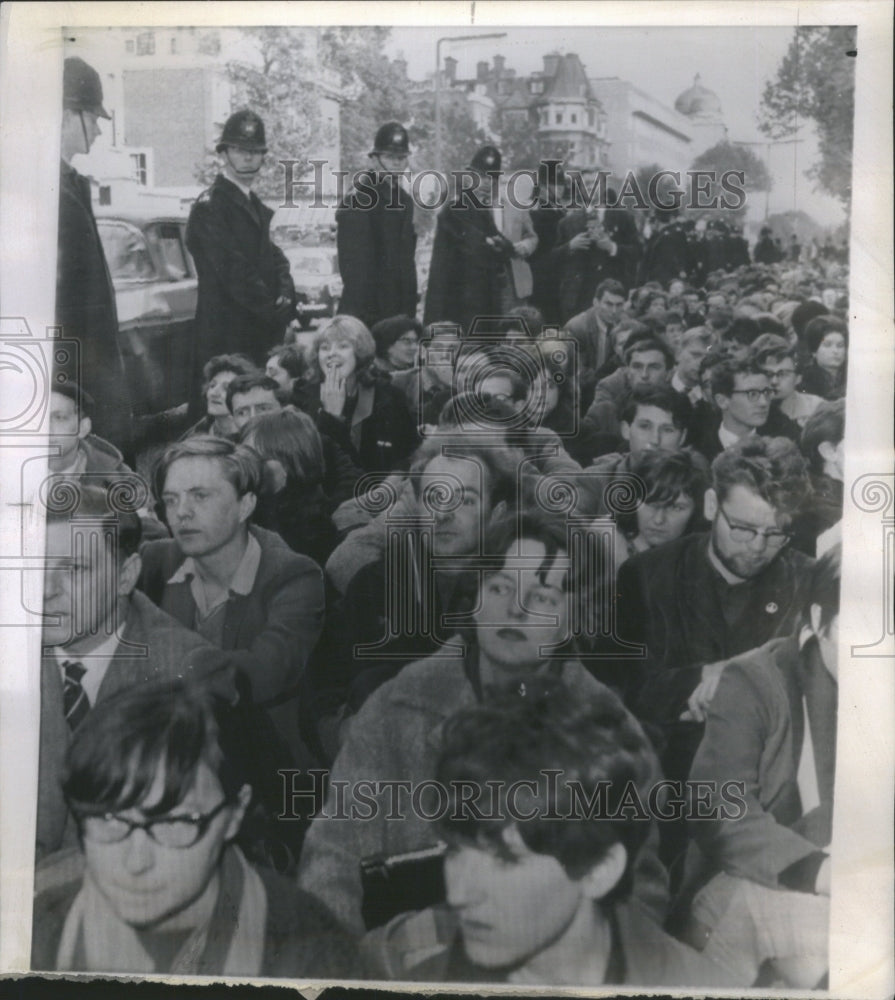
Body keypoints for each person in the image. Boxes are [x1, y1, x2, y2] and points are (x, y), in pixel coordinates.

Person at [297, 511, 670, 936]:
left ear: (577, 615)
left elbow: (639, 891)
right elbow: (332, 860)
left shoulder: (612, 731)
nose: (514, 609)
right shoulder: (396, 709)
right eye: (500, 587)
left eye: (543, 596)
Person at [365, 679, 737, 988]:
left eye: (504, 860)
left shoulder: (706, 989)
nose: (458, 893)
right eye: (456, 851)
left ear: (598, 869)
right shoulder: (397, 972)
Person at [32, 679, 361, 978]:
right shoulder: (34, 917)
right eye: (109, 819)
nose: (135, 861)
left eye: (174, 822)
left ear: (234, 814)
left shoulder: (311, 951)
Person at [679, 547, 840, 987]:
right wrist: (825, 873)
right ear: (819, 620)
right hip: (746, 880)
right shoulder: (756, 679)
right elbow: (717, 810)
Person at [38, 485, 225, 859]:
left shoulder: (185, 674)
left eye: (73, 569)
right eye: (35, 567)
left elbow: (178, 848)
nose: (44, 591)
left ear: (126, 575)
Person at [616, 437, 814, 783]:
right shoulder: (645, 575)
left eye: (775, 533)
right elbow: (625, 690)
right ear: (711, 505)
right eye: (742, 528)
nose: (757, 547)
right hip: (667, 784)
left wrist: (737, 675)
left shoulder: (810, 581)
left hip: (764, 786)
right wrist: (705, 676)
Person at [138, 437, 325, 766]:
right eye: (171, 499)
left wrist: (157, 673)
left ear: (245, 505)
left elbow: (267, 671)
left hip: (265, 766)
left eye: (200, 496)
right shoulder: (154, 562)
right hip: (170, 756)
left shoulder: (295, 576)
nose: (181, 512)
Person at [185, 110, 295, 419]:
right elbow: (235, 273)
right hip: (226, 339)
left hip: (255, 335)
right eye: (240, 150)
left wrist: (286, 290)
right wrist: (275, 311)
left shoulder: (252, 206)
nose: (248, 158)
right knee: (223, 424)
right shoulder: (211, 208)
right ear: (223, 154)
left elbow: (274, 257)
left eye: (256, 152)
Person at [56, 57, 133, 457]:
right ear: (68, 114)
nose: (101, 128)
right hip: (76, 386)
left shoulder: (68, 185)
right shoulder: (50, 193)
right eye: (93, 115)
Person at [424, 146, 536, 335]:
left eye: (491, 178)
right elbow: (449, 264)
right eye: (482, 177)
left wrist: (500, 246)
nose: (486, 183)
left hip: (484, 301)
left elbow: (504, 247)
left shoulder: (482, 210)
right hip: (461, 303)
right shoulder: (454, 210)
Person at [293, 316, 418, 480]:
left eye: (343, 346)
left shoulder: (388, 395)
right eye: (324, 348)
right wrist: (331, 418)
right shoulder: (301, 398)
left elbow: (409, 452)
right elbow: (310, 466)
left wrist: (397, 475)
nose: (332, 354)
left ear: (360, 352)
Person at [337, 122, 418, 328]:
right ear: (374, 160)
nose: (397, 164)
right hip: (367, 314)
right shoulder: (361, 197)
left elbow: (406, 264)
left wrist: (408, 312)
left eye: (402, 158)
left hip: (399, 312)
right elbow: (356, 271)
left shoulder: (404, 200)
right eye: (390, 158)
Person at [237, 407, 340, 567]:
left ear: (292, 461)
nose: (246, 466)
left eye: (257, 458)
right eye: (243, 456)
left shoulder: (314, 529)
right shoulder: (255, 505)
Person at [611, 447, 709, 573]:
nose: (658, 520)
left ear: (698, 510)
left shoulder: (704, 557)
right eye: (650, 503)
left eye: (676, 508)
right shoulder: (602, 542)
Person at [554, 192, 640, 322]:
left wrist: (612, 247)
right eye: (586, 184)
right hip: (577, 297)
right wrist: (570, 246)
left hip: (612, 297)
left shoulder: (624, 218)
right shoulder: (567, 222)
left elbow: (638, 252)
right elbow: (554, 258)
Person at [583, 335, 674, 442]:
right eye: (637, 367)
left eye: (654, 367)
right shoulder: (605, 413)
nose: (644, 375)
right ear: (628, 372)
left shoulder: (682, 410)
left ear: (668, 374)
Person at [182, 354, 259, 440]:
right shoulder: (199, 430)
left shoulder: (251, 439)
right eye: (212, 385)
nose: (214, 393)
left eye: (226, 388)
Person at [563, 278, 628, 377]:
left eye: (619, 305)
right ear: (596, 303)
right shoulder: (576, 328)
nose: (614, 311)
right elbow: (576, 372)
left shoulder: (627, 325)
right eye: (608, 304)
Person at [798, 317, 847, 400]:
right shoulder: (805, 383)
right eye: (827, 345)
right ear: (814, 351)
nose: (835, 351)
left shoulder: (854, 378)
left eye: (840, 345)